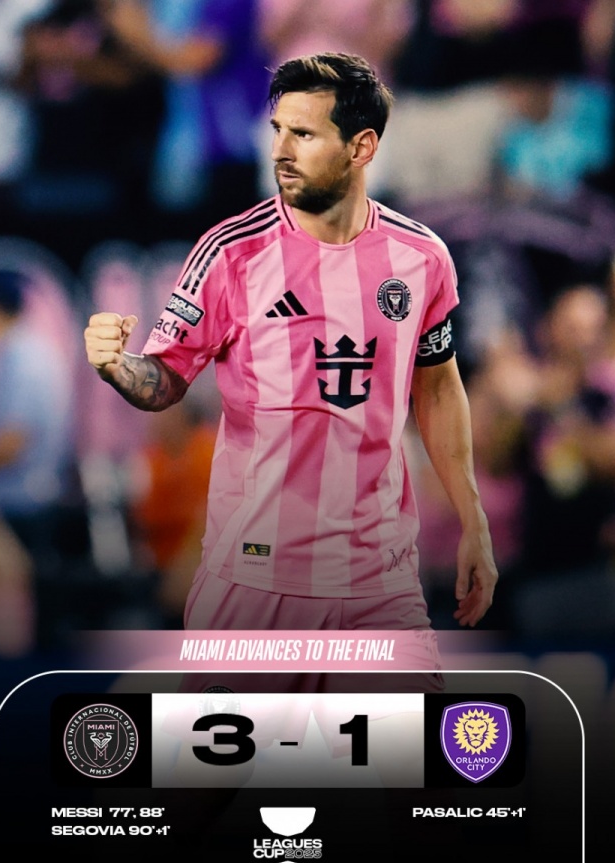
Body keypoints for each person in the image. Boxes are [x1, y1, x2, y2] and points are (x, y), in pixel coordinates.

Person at [84, 52, 498, 685]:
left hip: (379, 581)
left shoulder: (421, 259)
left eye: (303, 134)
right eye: (277, 130)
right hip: (254, 578)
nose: (281, 150)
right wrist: (118, 366)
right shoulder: (231, 253)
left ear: (361, 147)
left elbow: (438, 389)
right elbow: (163, 380)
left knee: (418, 749)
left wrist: (473, 520)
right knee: (225, 755)